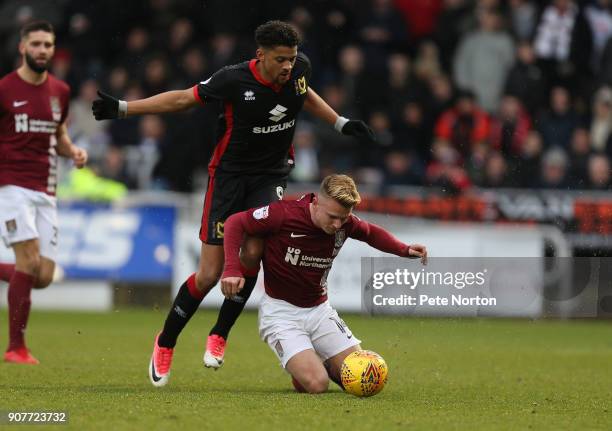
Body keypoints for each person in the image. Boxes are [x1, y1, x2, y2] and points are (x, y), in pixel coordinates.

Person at [92, 20, 375, 387]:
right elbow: (181, 98)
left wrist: (339, 122)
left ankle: (220, 332)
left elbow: (305, 94)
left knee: (253, 252)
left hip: (270, 176)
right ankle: (166, 341)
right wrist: (125, 108)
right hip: (228, 179)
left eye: (291, 58)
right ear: (261, 56)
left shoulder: (298, 70)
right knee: (210, 274)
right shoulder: (233, 80)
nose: (288, 66)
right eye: (280, 59)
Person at [220, 174, 427, 393]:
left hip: (320, 311)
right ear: (316, 203)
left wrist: (403, 249)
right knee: (318, 384)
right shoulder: (284, 214)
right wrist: (232, 268)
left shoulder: (345, 224)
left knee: (361, 378)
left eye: (343, 218)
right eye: (332, 217)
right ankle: (307, 366)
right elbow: (236, 222)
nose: (337, 224)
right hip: (281, 315)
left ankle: (311, 360)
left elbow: (370, 232)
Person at [0, 20, 88, 364]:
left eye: (48, 45)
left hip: (45, 189)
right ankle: (15, 348)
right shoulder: (5, 89)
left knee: (43, 276)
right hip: (10, 186)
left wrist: (74, 151)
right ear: (22, 47)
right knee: (29, 260)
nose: (42, 50)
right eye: (35, 44)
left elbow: (59, 136)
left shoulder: (60, 92)